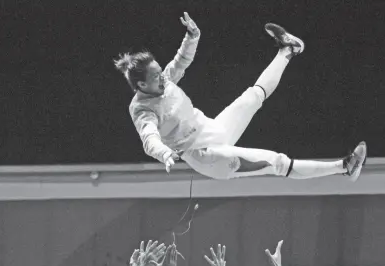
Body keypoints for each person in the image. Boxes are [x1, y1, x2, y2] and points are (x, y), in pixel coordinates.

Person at [114, 13, 367, 181]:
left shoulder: (162, 81)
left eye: (160, 72)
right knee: (277, 162)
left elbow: (179, 64)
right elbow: (149, 138)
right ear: (140, 84)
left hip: (212, 129)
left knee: (252, 96)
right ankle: (345, 167)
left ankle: (289, 49)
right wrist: (164, 154)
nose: (162, 78)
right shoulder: (142, 110)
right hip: (208, 156)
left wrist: (192, 37)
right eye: (155, 77)